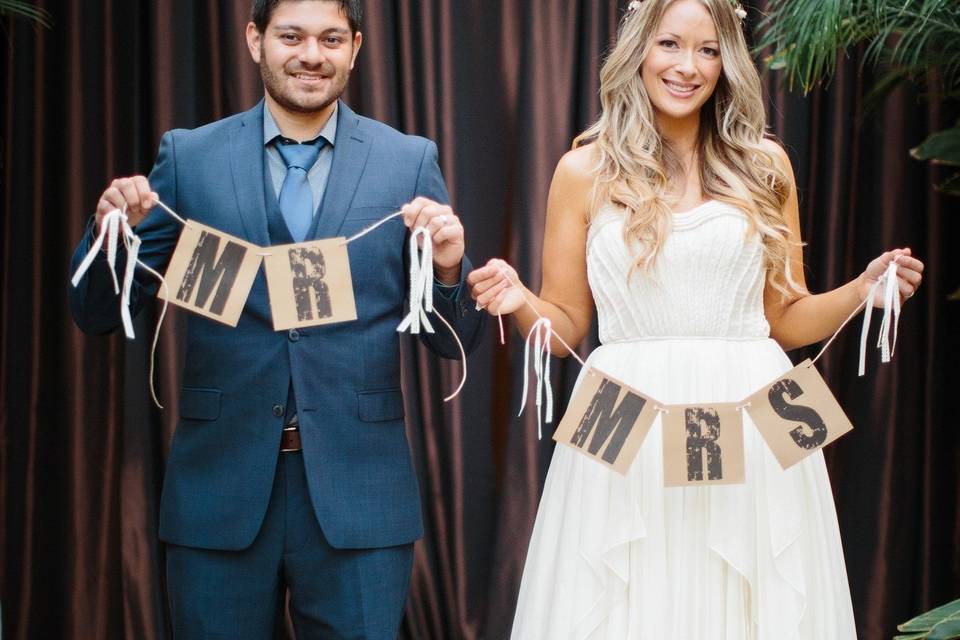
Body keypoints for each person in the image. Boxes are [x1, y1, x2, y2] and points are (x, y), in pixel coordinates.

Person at [468, 0, 923, 638]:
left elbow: (786, 319)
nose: (688, 66)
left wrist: (862, 290)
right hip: (625, 415)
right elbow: (567, 322)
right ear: (637, 52)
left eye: (708, 49)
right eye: (669, 45)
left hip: (755, 414)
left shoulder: (765, 165)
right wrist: (520, 302)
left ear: (728, 60)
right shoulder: (583, 170)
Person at [68, 0, 484, 637]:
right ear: (255, 39)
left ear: (356, 47)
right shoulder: (190, 157)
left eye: (330, 39)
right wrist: (109, 235)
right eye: (291, 36)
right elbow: (97, 312)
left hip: (359, 497)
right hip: (219, 492)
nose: (311, 55)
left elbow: (453, 342)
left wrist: (450, 270)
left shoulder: (407, 161)